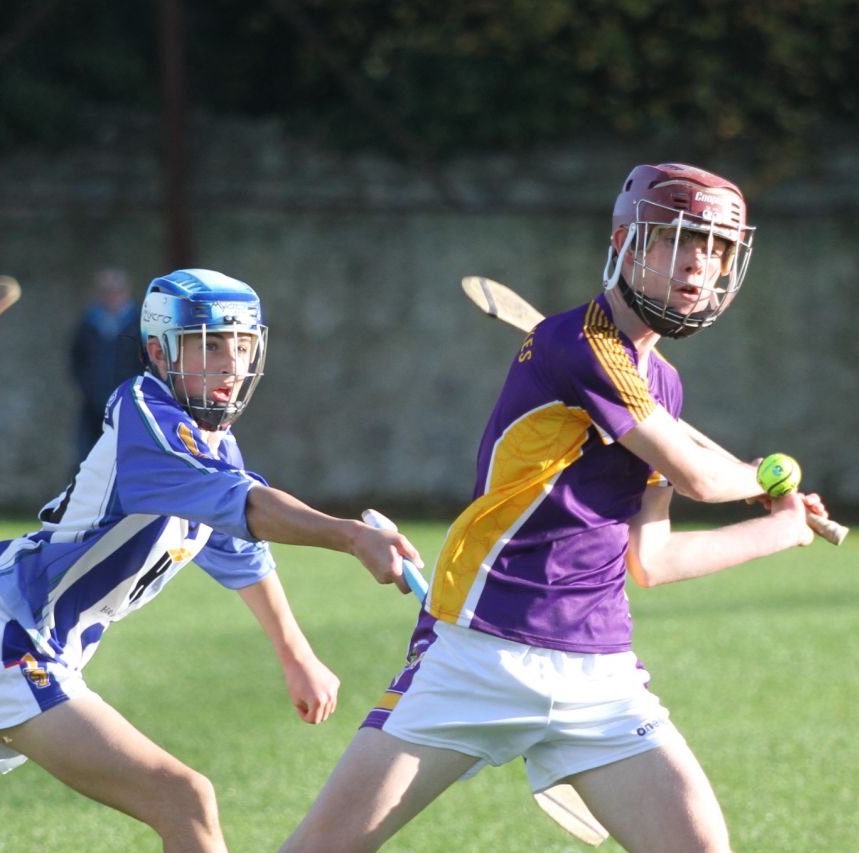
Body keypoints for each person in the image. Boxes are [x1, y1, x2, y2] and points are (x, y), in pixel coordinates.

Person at [281, 163, 829, 853]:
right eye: (678, 240)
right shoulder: (580, 345)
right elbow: (696, 474)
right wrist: (754, 475)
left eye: (717, 248)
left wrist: (778, 528)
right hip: (480, 653)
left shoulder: (661, 384)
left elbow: (651, 560)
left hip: (600, 676)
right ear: (628, 244)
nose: (699, 264)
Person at [0, 268, 423, 851]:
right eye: (208, 346)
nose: (231, 365)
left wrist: (296, 656)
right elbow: (248, 506)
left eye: (240, 345)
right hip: (14, 646)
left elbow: (240, 550)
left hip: (2, 637)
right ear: (159, 352)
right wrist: (349, 536)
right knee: (186, 799)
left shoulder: (212, 441)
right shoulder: (147, 414)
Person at [69, 266, 141, 464]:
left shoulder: (140, 323)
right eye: (105, 291)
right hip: (94, 406)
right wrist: (89, 390)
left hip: (129, 404)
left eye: (115, 290)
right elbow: (77, 360)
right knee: (88, 458)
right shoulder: (88, 322)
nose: (111, 295)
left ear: (126, 291)